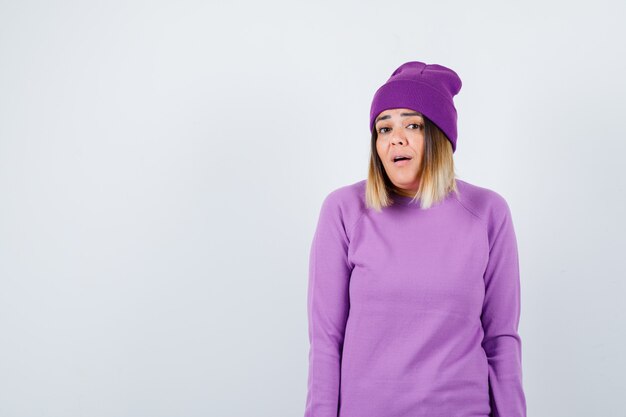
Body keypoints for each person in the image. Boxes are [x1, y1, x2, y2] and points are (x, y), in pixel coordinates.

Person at [303, 61, 527, 417]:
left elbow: (501, 341)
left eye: (413, 124)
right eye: (384, 127)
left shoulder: (488, 212)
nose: (396, 138)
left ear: (440, 135)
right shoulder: (343, 210)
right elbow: (326, 342)